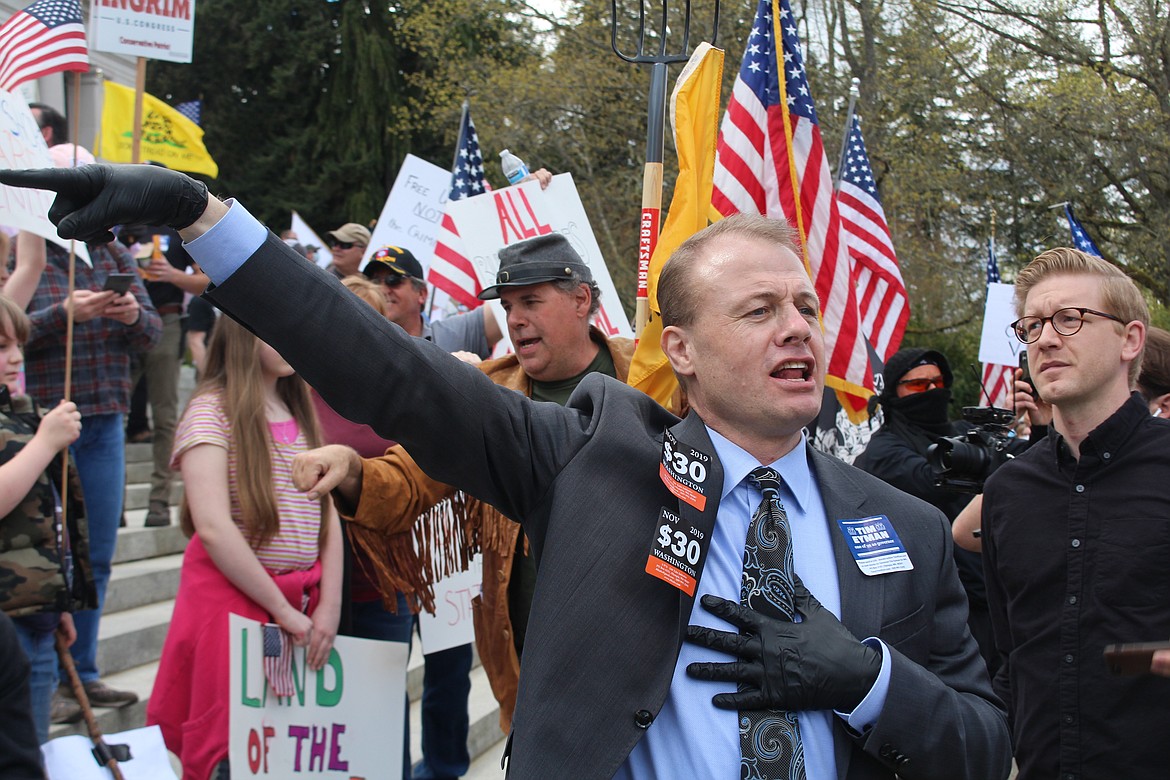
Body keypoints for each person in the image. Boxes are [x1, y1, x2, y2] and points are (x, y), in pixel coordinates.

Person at [2, 163, 1011, 780]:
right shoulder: (591, 457)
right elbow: (390, 373)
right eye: (758, 312)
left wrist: (867, 680)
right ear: (684, 351)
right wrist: (201, 217)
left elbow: (980, 745)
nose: (797, 329)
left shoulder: (907, 529)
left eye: (805, 308)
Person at [294, 233, 643, 739]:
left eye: (531, 301)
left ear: (581, 299)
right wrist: (351, 468)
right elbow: (407, 480)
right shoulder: (486, 391)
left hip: (639, 658)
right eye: (508, 306)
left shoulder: (651, 376)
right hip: (534, 677)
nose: (515, 319)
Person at [974, 247, 1170, 779]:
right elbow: (1012, 657)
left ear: (1130, 340)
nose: (1045, 339)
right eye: (1032, 326)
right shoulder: (1008, 492)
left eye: (1070, 319)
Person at [146, 315, 343, 780]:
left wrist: (330, 604)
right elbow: (213, 527)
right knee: (229, 750)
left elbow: (328, 512)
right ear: (243, 333)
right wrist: (283, 609)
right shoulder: (210, 412)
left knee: (285, 748)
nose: (291, 337)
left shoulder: (297, 406)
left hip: (303, 603)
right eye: (276, 327)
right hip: (233, 607)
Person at [18, 173, 161, 723]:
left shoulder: (113, 252)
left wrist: (131, 315)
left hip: (104, 421)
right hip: (41, 426)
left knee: (96, 555)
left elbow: (152, 333)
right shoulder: (27, 255)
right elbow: (11, 332)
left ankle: (84, 671)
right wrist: (63, 314)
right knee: (48, 556)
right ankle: (45, 675)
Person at [854, 348, 1001, 675]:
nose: (932, 392)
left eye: (938, 383)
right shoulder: (884, 450)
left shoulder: (962, 433)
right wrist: (989, 464)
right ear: (895, 392)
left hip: (989, 597)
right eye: (919, 385)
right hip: (933, 607)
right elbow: (932, 480)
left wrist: (1040, 428)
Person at [0, 293, 95, 743]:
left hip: (36, 614)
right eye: (1, 347)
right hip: (6, 622)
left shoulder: (18, 413)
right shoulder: (34, 430)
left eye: (17, 345)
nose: (16, 357)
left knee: (32, 749)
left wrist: (57, 600)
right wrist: (44, 444)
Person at [118, 222, 211, 526]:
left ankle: (159, 500)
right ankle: (114, 501)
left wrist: (172, 275)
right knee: (116, 416)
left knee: (164, 415)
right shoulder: (119, 230)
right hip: (123, 325)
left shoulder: (176, 231)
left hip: (166, 321)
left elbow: (206, 280)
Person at [361, 244, 502, 355]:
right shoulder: (358, 345)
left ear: (421, 293)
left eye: (393, 280)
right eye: (374, 282)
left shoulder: (451, 336)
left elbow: (505, 304)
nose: (382, 289)